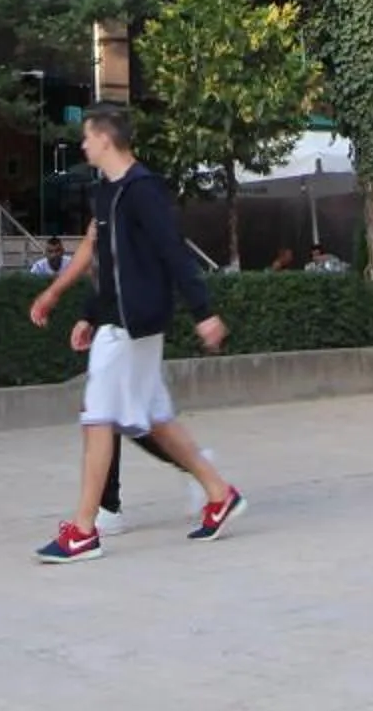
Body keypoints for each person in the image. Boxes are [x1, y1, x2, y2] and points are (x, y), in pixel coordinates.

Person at [24, 104, 243, 563]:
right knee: (156, 419)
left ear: (105, 139)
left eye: (87, 137)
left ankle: (83, 530)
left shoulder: (143, 190)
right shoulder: (106, 194)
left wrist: (203, 311)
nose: (82, 145)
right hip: (118, 320)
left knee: (98, 416)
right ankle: (218, 492)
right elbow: (107, 263)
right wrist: (87, 312)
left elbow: (172, 251)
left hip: (133, 323)